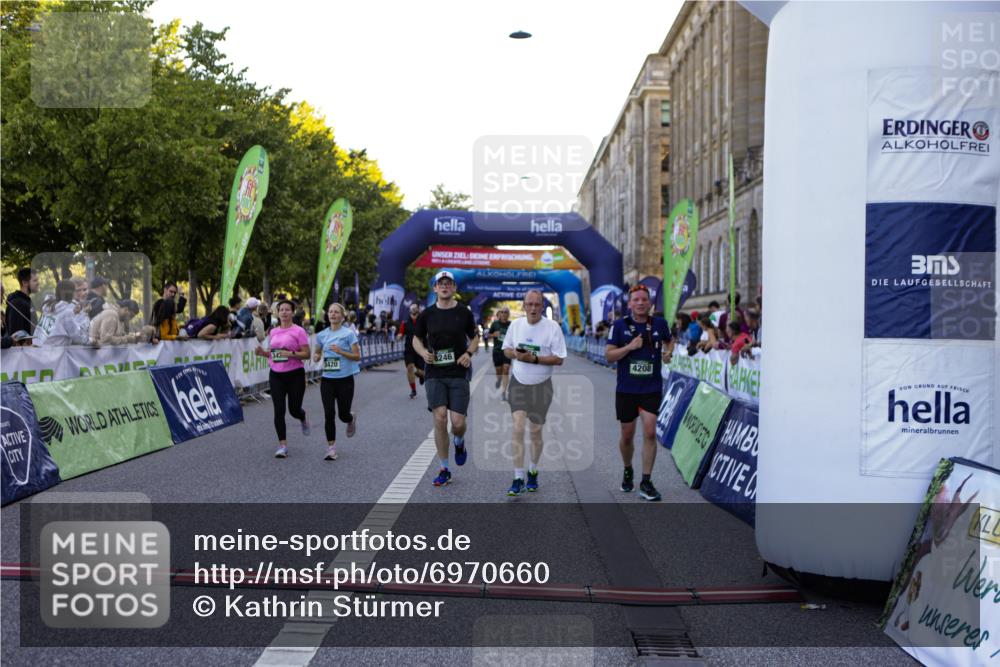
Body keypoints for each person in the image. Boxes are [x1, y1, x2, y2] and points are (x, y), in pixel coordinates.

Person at [605, 285, 672, 501]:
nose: (641, 303)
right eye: (636, 300)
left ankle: (646, 481)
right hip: (626, 389)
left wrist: (668, 353)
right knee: (627, 435)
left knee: (650, 432)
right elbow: (609, 356)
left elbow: (670, 341)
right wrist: (629, 348)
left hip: (651, 389)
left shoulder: (659, 324)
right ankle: (627, 468)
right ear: (630, 303)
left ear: (650, 303)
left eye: (644, 299)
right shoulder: (619, 325)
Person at [412, 270, 479, 487]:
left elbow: (475, 337)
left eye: (448, 283)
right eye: (440, 283)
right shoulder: (427, 314)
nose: (444, 286)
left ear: (454, 288)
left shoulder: (464, 313)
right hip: (435, 373)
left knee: (458, 423)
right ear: (435, 288)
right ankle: (444, 468)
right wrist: (422, 352)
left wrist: (468, 354)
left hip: (458, 372)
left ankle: (459, 441)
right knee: (440, 418)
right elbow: (416, 339)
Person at [501, 290, 566, 495]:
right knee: (518, 427)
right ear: (523, 306)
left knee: (535, 431)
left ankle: (533, 470)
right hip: (519, 383)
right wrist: (516, 355)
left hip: (542, 385)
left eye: (537, 304)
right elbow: (506, 349)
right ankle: (518, 476)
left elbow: (559, 358)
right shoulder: (515, 325)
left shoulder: (552, 327)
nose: (533, 308)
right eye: (529, 304)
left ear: (541, 306)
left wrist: (534, 359)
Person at [255, 300, 311, 458]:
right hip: (276, 375)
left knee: (294, 410)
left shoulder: (299, 331)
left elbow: (306, 354)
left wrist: (291, 354)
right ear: (277, 313)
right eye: (281, 310)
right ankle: (282, 446)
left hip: (295, 375)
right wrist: (263, 353)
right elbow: (274, 353)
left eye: (287, 310)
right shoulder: (273, 332)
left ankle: (302, 416)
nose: (284, 313)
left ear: (292, 312)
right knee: (279, 411)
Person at [313, 303, 361, 460]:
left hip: (345, 380)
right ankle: (331, 448)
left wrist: (341, 351)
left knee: (342, 414)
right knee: (329, 414)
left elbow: (357, 356)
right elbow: (318, 351)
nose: (333, 314)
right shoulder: (321, 335)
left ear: (342, 316)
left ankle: (350, 418)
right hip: (328, 380)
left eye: (336, 312)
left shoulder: (348, 334)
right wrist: (317, 356)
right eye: (330, 312)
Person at [44, 279, 92, 346]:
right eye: (77, 290)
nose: (82, 293)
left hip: (43, 351)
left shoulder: (51, 305)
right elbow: (79, 338)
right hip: (55, 353)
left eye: (84, 289)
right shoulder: (67, 310)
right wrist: (85, 313)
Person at [396, 303, 426, 399]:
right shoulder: (405, 322)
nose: (412, 309)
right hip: (409, 350)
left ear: (418, 309)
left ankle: (422, 376)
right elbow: (400, 332)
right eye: (411, 308)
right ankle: (413, 390)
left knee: (421, 372)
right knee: (410, 368)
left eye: (414, 308)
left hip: (420, 350)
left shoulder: (423, 321)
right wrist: (399, 336)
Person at [487, 307, 512, 395]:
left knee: (506, 369)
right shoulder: (495, 324)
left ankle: (504, 391)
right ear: (500, 313)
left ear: (508, 314)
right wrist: (493, 334)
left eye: (506, 312)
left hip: (507, 351)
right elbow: (488, 335)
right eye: (502, 312)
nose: (504, 314)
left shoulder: (511, 324)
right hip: (497, 351)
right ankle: (499, 379)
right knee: (498, 370)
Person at [6, 267, 38, 336]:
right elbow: (16, 335)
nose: (38, 283)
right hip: (23, 347)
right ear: (24, 283)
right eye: (35, 280)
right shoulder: (17, 304)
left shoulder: (27, 301)